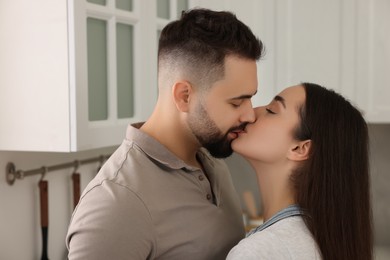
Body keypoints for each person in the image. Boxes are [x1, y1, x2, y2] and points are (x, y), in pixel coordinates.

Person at [66, 8, 264, 260]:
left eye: (251, 98)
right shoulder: (118, 202)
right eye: (237, 103)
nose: (249, 115)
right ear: (184, 96)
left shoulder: (212, 159)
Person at [227, 83, 373, 260]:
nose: (251, 114)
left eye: (272, 110)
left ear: (299, 149)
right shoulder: (321, 240)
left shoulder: (258, 251)